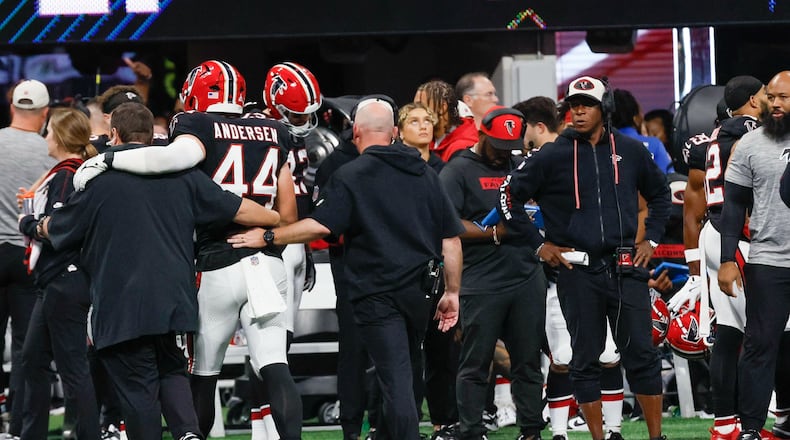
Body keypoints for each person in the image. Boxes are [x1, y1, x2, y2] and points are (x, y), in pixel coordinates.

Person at [73, 60, 302, 439]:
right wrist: (266, 230)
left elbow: (169, 159)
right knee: (274, 364)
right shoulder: (274, 130)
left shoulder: (195, 125)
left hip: (217, 260)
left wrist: (105, 159)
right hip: (266, 258)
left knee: (202, 373)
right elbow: (287, 212)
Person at [227, 98, 464, 440]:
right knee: (404, 371)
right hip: (421, 291)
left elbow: (320, 227)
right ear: (395, 133)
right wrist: (452, 292)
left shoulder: (351, 174)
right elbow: (451, 241)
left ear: (355, 133)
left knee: (395, 377)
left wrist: (267, 235)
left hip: (376, 293)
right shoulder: (426, 173)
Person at [498, 76, 671, 440]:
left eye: (586, 104)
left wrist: (651, 239)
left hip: (627, 268)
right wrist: (539, 245)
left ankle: (657, 437)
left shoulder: (632, 149)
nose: (577, 111)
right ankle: (597, 437)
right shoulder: (552, 154)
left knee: (641, 354)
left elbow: (661, 195)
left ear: (604, 109)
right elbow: (507, 198)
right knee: (584, 359)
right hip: (577, 270)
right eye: (572, 105)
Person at [670, 75, 787, 440]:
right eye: (770, 96)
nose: (774, 103)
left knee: (732, 331)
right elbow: (746, 201)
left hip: (713, 231)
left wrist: (693, 266)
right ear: (757, 101)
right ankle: (767, 419)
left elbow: (692, 205)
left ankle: (727, 422)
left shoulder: (708, 140)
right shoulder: (755, 136)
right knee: (764, 334)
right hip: (742, 238)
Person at [513, 96, 628, 440]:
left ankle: (614, 431)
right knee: (563, 356)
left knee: (608, 353)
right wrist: (539, 244)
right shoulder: (535, 162)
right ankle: (560, 432)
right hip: (559, 273)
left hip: (599, 268)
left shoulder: (602, 157)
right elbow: (509, 201)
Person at [439, 106, 546, 440]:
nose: (502, 154)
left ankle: (531, 431)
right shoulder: (457, 170)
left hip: (526, 274)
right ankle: (471, 431)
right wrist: (496, 231)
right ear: (481, 134)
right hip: (481, 278)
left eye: (508, 147)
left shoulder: (520, 165)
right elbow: (445, 224)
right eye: (497, 145)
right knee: (475, 363)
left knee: (528, 361)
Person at [17, 108, 99, 440]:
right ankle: (31, 434)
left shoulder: (68, 174)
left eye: (49, 131)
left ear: (62, 137)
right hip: (55, 281)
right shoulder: (69, 171)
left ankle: (89, 435)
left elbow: (60, 227)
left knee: (73, 370)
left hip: (65, 280)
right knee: (33, 360)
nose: (45, 137)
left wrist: (28, 224)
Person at [719, 71, 790, 440]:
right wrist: (728, 258)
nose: (776, 104)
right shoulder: (748, 144)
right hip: (768, 259)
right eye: (772, 97)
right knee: (761, 344)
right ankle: (750, 427)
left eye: (785, 98)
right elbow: (732, 206)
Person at [0, 79, 52, 437]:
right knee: (25, 348)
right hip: (27, 254)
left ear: (12, 106)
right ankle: (18, 429)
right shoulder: (51, 150)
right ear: (45, 113)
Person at [261, 61, 323, 340]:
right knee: (270, 335)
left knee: (284, 332)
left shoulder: (289, 134)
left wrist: (305, 246)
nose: (305, 120)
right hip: (272, 239)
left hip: (294, 239)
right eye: (298, 115)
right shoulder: (259, 130)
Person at [612, 89, 675, 174]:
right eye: (640, 112)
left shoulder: (598, 146)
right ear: (636, 119)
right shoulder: (654, 144)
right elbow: (669, 181)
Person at [414, 80, 478, 162]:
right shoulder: (428, 139)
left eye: (420, 105)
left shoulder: (463, 148)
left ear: (442, 107)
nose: (414, 111)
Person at [398, 102, 444, 173]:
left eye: (427, 121)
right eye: (414, 122)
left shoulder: (443, 169)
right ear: (401, 132)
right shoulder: (392, 166)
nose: (423, 127)